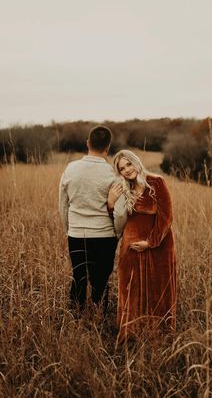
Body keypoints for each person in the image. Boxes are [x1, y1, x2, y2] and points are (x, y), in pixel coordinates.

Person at [108, 150, 176, 343]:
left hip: (158, 247)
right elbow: (118, 221)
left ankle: (159, 337)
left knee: (158, 292)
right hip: (130, 249)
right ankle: (131, 335)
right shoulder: (122, 188)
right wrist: (111, 204)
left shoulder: (156, 182)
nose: (127, 170)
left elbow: (166, 217)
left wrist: (150, 242)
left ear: (136, 162)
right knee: (130, 290)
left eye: (128, 164)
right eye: (122, 168)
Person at [59, 125, 123, 316]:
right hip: (105, 236)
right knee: (100, 280)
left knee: (78, 277)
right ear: (108, 147)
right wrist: (117, 233)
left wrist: (69, 230)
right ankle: (98, 316)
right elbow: (119, 213)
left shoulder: (71, 169)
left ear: (88, 143)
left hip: (77, 233)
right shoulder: (113, 174)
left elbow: (63, 205)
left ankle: (75, 316)